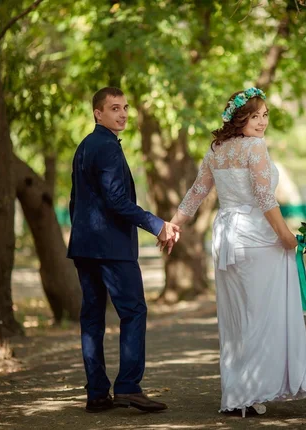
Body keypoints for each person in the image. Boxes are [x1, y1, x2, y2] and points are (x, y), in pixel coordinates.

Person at [162, 87, 306, 417]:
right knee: (262, 314)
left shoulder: (216, 150)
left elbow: (196, 193)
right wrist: (287, 235)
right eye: (254, 116)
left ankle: (238, 394)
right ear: (239, 118)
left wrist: (172, 224)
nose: (262, 122)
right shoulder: (254, 147)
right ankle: (253, 388)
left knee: (235, 317)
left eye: (265, 115)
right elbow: (265, 198)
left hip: (225, 237)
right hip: (256, 238)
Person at [68, 87, 180, 413]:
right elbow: (117, 201)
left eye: (126, 108)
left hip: (85, 247)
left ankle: (97, 394)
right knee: (133, 312)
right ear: (97, 113)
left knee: (92, 319)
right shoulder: (106, 147)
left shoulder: (86, 147)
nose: (123, 114)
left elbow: (78, 201)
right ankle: (129, 388)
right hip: (111, 248)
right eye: (114, 108)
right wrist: (157, 224)